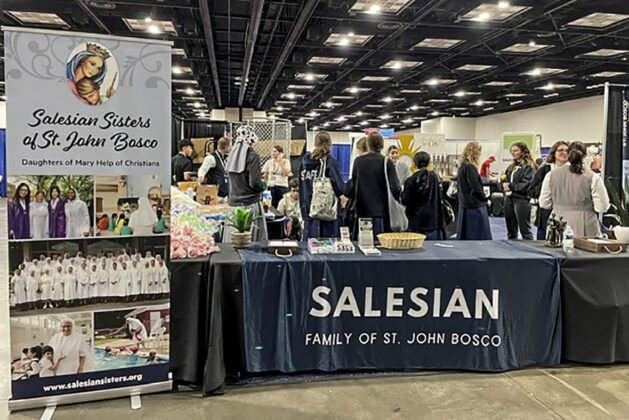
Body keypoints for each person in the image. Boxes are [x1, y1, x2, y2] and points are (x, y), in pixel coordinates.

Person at [540, 142, 610, 237]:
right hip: (586, 224)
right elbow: (602, 207)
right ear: (585, 156)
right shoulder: (593, 177)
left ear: (568, 154)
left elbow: (544, 203)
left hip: (558, 223)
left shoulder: (550, 175)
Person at [345, 132, 401, 236]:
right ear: (382, 145)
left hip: (362, 211)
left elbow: (353, 184)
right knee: (380, 242)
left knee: (363, 241)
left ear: (368, 144)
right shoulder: (386, 162)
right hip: (381, 212)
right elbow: (395, 188)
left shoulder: (358, 162)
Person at [224, 125, 268, 242]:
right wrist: (264, 185)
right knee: (250, 242)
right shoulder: (253, 156)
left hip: (233, 206)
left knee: (233, 242)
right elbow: (255, 183)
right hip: (249, 205)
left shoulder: (232, 155)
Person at [299, 132, 345, 238]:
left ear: (315, 143)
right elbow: (340, 188)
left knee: (310, 244)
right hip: (326, 212)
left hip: (308, 209)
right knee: (327, 244)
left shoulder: (304, 162)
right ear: (330, 144)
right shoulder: (330, 162)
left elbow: (301, 185)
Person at [528, 141, 569, 240]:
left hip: (568, 211)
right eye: (560, 150)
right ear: (554, 153)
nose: (564, 153)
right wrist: (548, 186)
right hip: (547, 211)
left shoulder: (574, 170)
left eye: (567, 150)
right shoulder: (545, 170)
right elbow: (531, 191)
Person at [400, 152, 446, 239]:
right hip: (434, 222)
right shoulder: (435, 177)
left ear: (414, 164)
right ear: (429, 163)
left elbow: (405, 200)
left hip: (416, 224)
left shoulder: (410, 181)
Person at [456, 142, 492, 240]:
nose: (480, 154)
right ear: (473, 152)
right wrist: (485, 199)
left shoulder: (462, 167)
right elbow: (476, 187)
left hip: (465, 205)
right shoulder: (470, 167)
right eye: (479, 151)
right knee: (478, 237)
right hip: (474, 207)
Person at [502, 142, 536, 240]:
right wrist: (503, 184)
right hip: (509, 199)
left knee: (525, 230)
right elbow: (504, 179)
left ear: (523, 152)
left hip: (522, 200)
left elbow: (526, 185)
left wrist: (510, 186)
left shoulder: (529, 167)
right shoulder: (511, 166)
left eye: (516, 150)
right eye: (512, 151)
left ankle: (529, 249)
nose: (513, 153)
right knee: (511, 231)